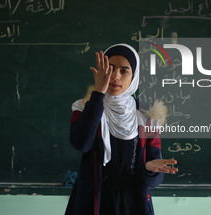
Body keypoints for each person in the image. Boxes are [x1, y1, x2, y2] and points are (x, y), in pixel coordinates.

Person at [65, 43, 178, 215]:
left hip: (133, 204)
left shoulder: (147, 115)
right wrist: (98, 95)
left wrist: (149, 168)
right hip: (93, 201)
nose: (115, 76)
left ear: (134, 76)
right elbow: (81, 144)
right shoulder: (84, 108)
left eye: (124, 71)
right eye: (109, 68)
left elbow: (154, 180)